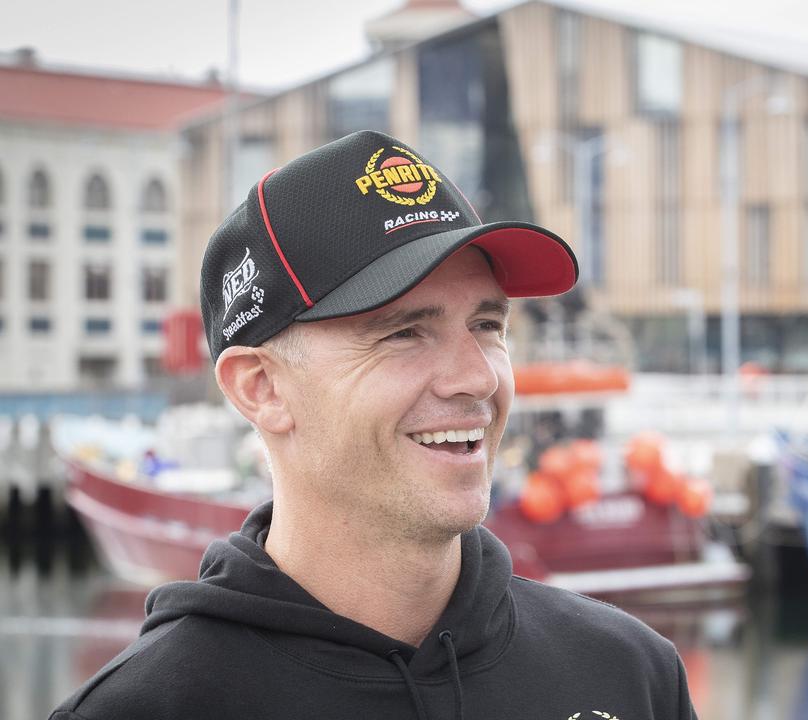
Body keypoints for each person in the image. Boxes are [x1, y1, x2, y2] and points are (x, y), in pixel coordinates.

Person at [51, 130, 697, 720]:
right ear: (262, 388)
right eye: (404, 333)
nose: (476, 377)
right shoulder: (144, 709)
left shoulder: (630, 680)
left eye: (487, 325)